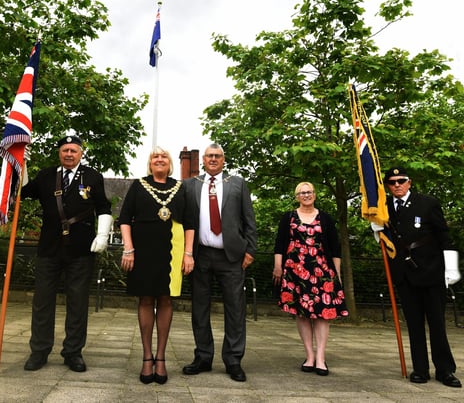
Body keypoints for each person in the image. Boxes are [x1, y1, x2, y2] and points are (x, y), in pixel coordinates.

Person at [21, 135, 112, 373]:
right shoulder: (46, 175)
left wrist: (102, 235)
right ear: (59, 153)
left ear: (81, 152)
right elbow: (23, 191)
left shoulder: (92, 176)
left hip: (81, 249)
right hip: (49, 248)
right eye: (64, 150)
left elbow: (103, 207)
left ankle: (73, 352)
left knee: (78, 303)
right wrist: (21, 165)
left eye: (73, 150)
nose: (69, 154)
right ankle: (39, 352)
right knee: (42, 302)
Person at [377, 166, 461, 387]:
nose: (397, 185)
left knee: (437, 324)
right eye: (392, 182)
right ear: (387, 185)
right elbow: (386, 241)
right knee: (414, 324)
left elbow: (444, 236)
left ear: (409, 182)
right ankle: (420, 369)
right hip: (405, 274)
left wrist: (451, 268)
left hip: (431, 271)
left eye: (401, 180)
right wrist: (375, 228)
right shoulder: (383, 208)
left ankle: (445, 370)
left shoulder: (427, 203)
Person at [118, 147, 195, 384]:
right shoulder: (139, 185)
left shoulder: (180, 187)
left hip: (173, 250)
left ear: (170, 163)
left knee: (165, 299)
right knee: (145, 299)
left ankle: (160, 358)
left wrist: (189, 254)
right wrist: (128, 249)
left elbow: (191, 223)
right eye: (155, 157)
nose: (159, 159)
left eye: (163, 157)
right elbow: (124, 220)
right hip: (142, 250)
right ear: (150, 164)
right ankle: (146, 356)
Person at [182, 143, 257, 382]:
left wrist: (251, 250)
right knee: (199, 308)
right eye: (209, 156)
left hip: (231, 256)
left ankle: (233, 359)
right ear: (203, 160)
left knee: (235, 309)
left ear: (224, 160)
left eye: (217, 156)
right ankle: (203, 357)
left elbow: (249, 219)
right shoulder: (190, 185)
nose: (213, 159)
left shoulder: (237, 184)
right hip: (200, 254)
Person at [272, 182, 348, 376]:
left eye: (309, 192)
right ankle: (309, 356)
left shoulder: (326, 218)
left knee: (323, 313)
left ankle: (321, 358)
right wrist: (278, 267)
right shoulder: (288, 217)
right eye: (302, 193)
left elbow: (335, 247)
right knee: (301, 313)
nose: (306, 195)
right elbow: (280, 244)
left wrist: (336, 273)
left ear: (314, 195)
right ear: (297, 196)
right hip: (295, 272)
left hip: (322, 272)